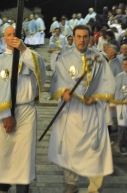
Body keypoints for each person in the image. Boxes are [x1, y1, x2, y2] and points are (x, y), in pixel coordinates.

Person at [0, 25, 46, 193]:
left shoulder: (31, 56)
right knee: (2, 153)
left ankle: (23, 188)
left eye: (16, 34)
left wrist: (23, 49)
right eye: (9, 35)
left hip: (26, 113)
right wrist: (5, 115)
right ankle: (3, 186)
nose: (13, 37)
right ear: (4, 38)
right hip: (3, 114)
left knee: (23, 155)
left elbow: (39, 69)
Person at [48, 25, 115, 193]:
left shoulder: (99, 58)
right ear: (73, 37)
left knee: (96, 149)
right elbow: (58, 80)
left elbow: (108, 82)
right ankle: (72, 182)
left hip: (92, 111)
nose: (82, 40)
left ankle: (94, 187)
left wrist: (97, 96)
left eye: (85, 36)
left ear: (90, 38)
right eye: (78, 36)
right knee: (69, 148)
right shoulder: (64, 58)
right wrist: (63, 92)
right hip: (72, 111)